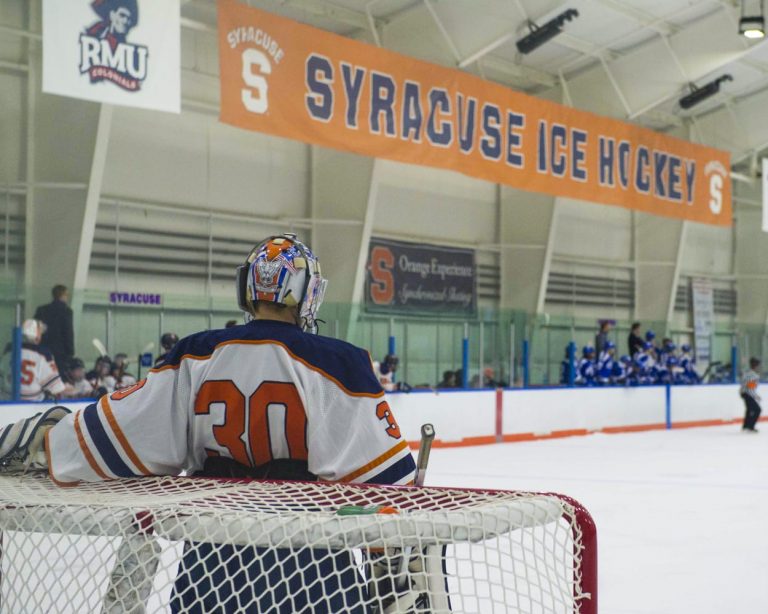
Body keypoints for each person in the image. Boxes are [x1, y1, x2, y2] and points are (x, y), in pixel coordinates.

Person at [0, 233, 416, 613]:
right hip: (308, 557)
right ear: (307, 295)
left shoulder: (194, 354)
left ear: (249, 288)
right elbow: (384, 485)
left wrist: (45, 440)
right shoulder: (338, 362)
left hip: (212, 555)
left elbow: (117, 434)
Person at [0, 320, 66, 401]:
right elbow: (56, 389)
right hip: (32, 406)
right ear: (37, 336)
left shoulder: (8, 351)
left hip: (6, 404)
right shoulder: (43, 354)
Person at [33, 284, 75, 373]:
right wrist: (70, 352)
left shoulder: (41, 310)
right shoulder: (66, 311)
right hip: (60, 352)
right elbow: (68, 333)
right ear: (63, 295)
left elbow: (36, 329)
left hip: (43, 349)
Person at [740, 357, 761, 433]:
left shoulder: (747, 372)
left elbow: (745, 384)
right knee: (757, 409)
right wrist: (756, 396)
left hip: (744, 393)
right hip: (748, 394)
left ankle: (745, 426)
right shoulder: (753, 375)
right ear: (755, 365)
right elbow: (750, 388)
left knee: (749, 410)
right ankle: (750, 426)